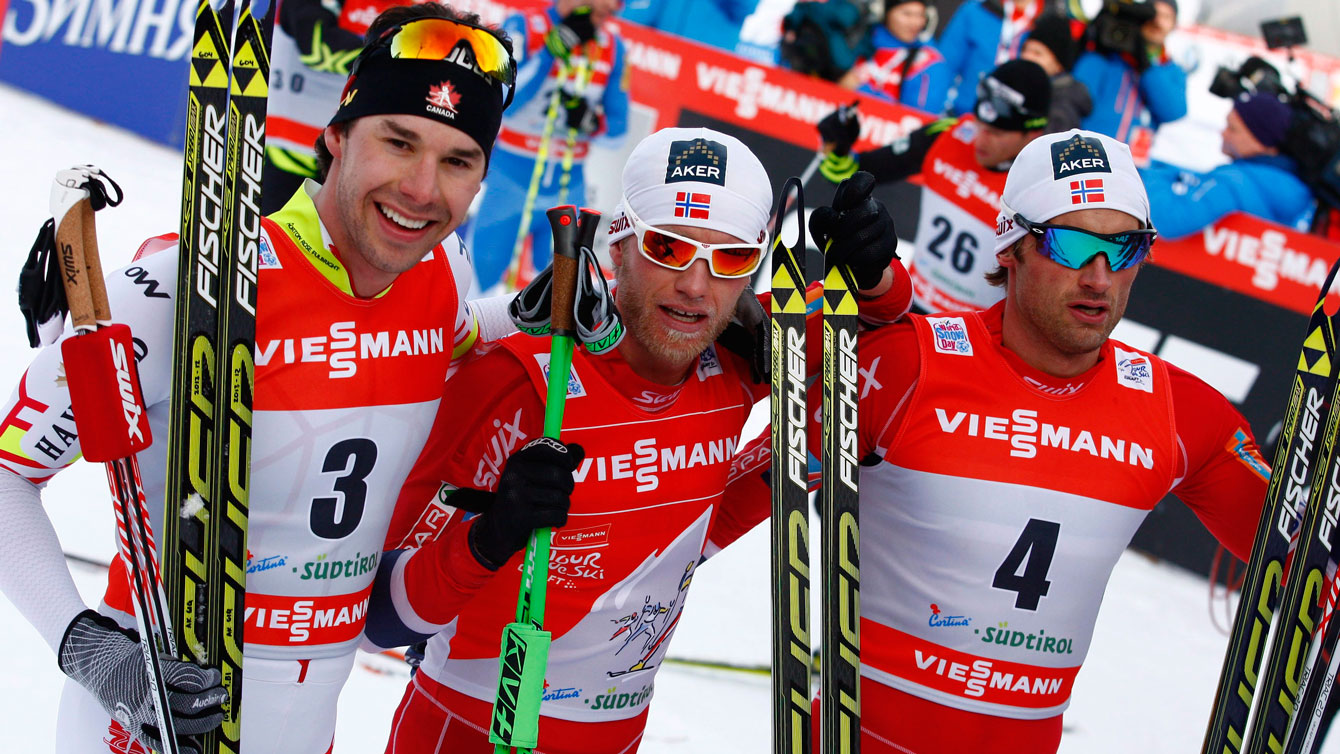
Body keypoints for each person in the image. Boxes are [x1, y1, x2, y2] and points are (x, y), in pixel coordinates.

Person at [0, 5, 523, 752]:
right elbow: (6, 473)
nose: (420, 187)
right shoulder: (195, 285)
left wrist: (535, 311)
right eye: (398, 142)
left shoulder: (443, 274)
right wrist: (87, 646)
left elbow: (460, 333)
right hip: (152, 714)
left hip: (310, 721)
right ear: (336, 136)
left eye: (457, 160)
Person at [360, 127, 911, 754]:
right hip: (473, 726)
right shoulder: (516, 378)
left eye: (729, 258)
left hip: (620, 735)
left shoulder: (739, 359)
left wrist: (875, 275)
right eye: (667, 248)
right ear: (617, 246)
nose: (695, 286)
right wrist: (484, 541)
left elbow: (876, 327)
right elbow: (376, 620)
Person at [818, 129, 1269, 752]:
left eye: (1125, 247)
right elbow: (714, 501)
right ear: (1012, 245)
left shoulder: (1182, 412)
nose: (1099, 276)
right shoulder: (904, 365)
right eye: (1073, 242)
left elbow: (1302, 564)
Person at [819, 58, 1052, 312]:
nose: (980, 139)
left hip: (975, 332)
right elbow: (852, 175)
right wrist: (835, 146)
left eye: (995, 133)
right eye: (979, 124)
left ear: (1032, 134)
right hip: (908, 307)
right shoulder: (947, 134)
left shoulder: (1042, 188)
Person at [466, 0, 630, 293]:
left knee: (562, 294)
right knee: (477, 282)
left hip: (568, 185)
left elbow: (618, 131)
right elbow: (501, 98)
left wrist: (590, 121)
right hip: (511, 179)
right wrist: (547, 55)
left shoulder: (612, 47)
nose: (614, 6)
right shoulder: (525, 26)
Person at [1141, 91, 1314, 238]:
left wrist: (1142, 176)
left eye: (1233, 129)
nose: (1223, 133)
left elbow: (1167, 221)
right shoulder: (1289, 186)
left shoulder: (1235, 183)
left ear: (1261, 142)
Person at [1072, 0, 1186, 144]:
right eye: (1153, 14)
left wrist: (1145, 66)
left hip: (1134, 162)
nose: (1157, 22)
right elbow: (1076, 96)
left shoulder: (1170, 69)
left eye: (1166, 17)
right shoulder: (1110, 59)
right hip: (1092, 153)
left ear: (1174, 25)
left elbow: (1173, 111)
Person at [936, 0, 1055, 116]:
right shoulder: (977, 9)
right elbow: (943, 66)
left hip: (1017, 122)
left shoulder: (1051, 21)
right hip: (963, 113)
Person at [839, 0, 950, 113]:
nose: (915, 23)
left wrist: (860, 91)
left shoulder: (929, 63)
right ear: (885, 12)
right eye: (907, 14)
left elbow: (917, 119)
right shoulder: (861, 40)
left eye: (921, 15)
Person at [1019, 12, 1091, 133]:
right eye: (1025, 49)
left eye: (1038, 53)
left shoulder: (1062, 109)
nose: (1027, 57)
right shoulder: (1026, 87)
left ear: (1058, 65)